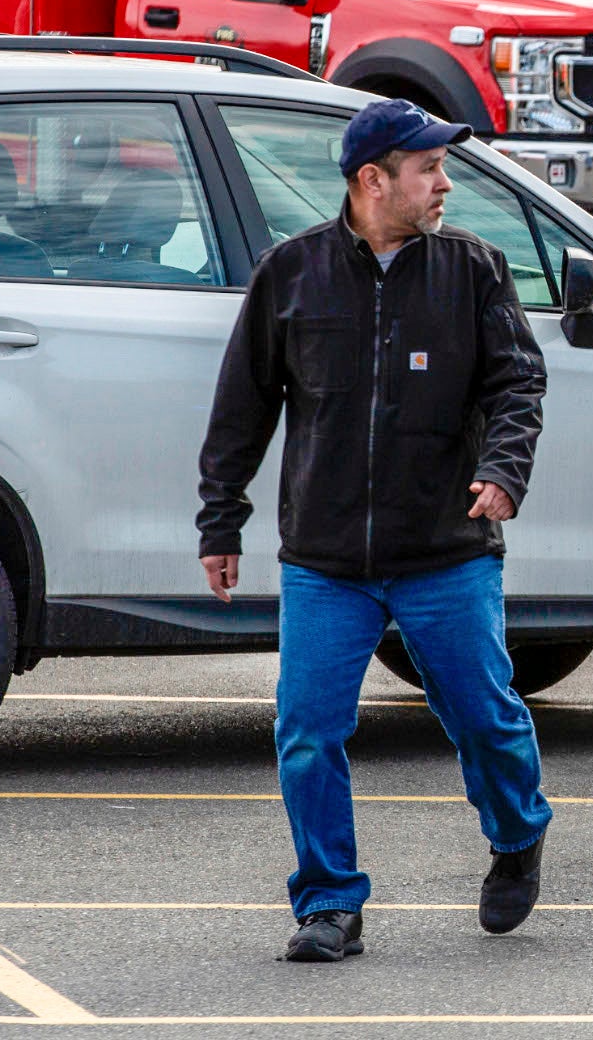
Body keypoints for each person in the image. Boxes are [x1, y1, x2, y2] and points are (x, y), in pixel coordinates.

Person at [194, 99, 553, 963]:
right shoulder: (291, 274)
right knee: (308, 728)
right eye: (428, 168)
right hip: (326, 560)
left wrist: (502, 473)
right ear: (372, 180)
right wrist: (221, 518)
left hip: (445, 549)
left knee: (484, 716)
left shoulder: (474, 269)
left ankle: (516, 832)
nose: (443, 183)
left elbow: (517, 386)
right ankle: (328, 903)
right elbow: (241, 409)